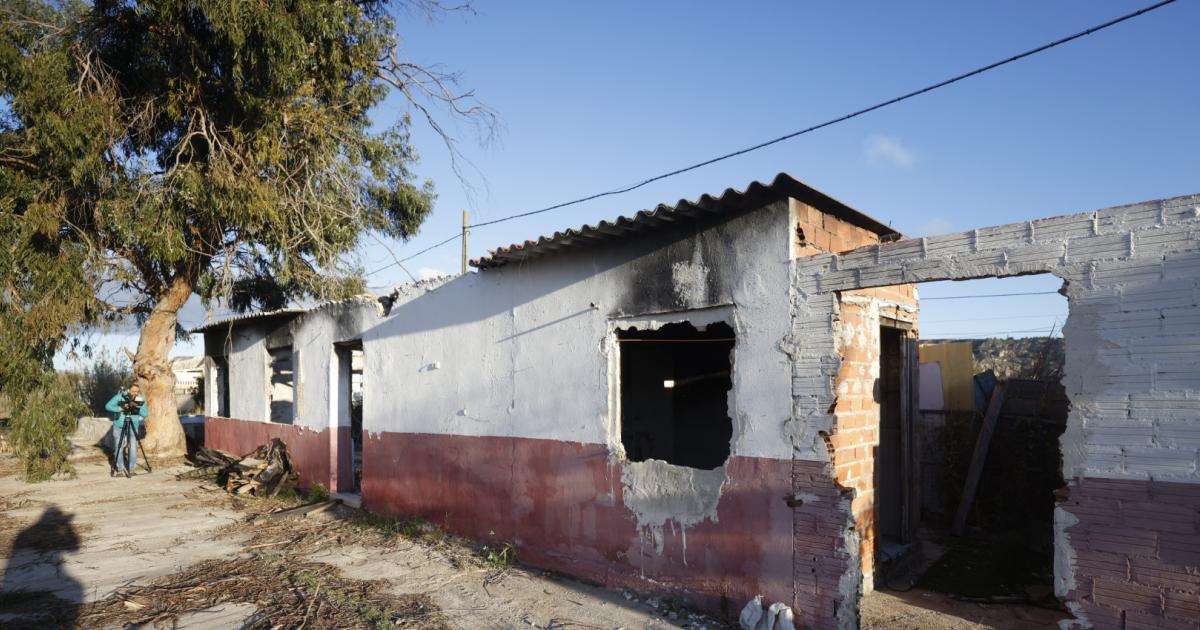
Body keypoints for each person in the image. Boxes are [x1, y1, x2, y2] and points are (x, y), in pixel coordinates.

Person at [105, 384, 148, 477]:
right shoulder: (120, 397)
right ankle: (120, 469)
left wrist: (138, 408)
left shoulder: (140, 399)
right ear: (129, 390)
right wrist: (120, 408)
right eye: (133, 391)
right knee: (119, 446)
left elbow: (145, 413)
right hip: (119, 425)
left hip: (133, 424)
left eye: (137, 392)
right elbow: (107, 406)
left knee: (133, 447)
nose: (135, 393)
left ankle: (131, 468)